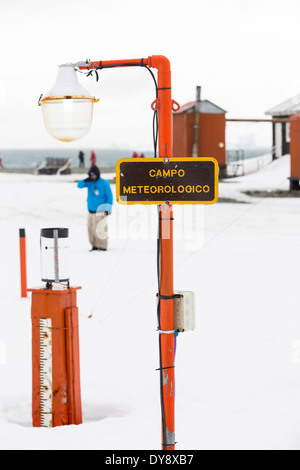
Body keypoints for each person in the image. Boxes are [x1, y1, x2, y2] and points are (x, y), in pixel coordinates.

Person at [77, 166, 113, 251]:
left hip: (100, 211)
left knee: (100, 229)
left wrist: (108, 208)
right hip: (90, 211)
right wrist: (85, 180)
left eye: (93, 175)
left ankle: (102, 246)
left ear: (97, 174)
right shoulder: (89, 182)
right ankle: (94, 245)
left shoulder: (104, 183)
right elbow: (79, 185)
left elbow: (109, 197)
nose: (92, 177)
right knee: (91, 229)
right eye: (90, 175)